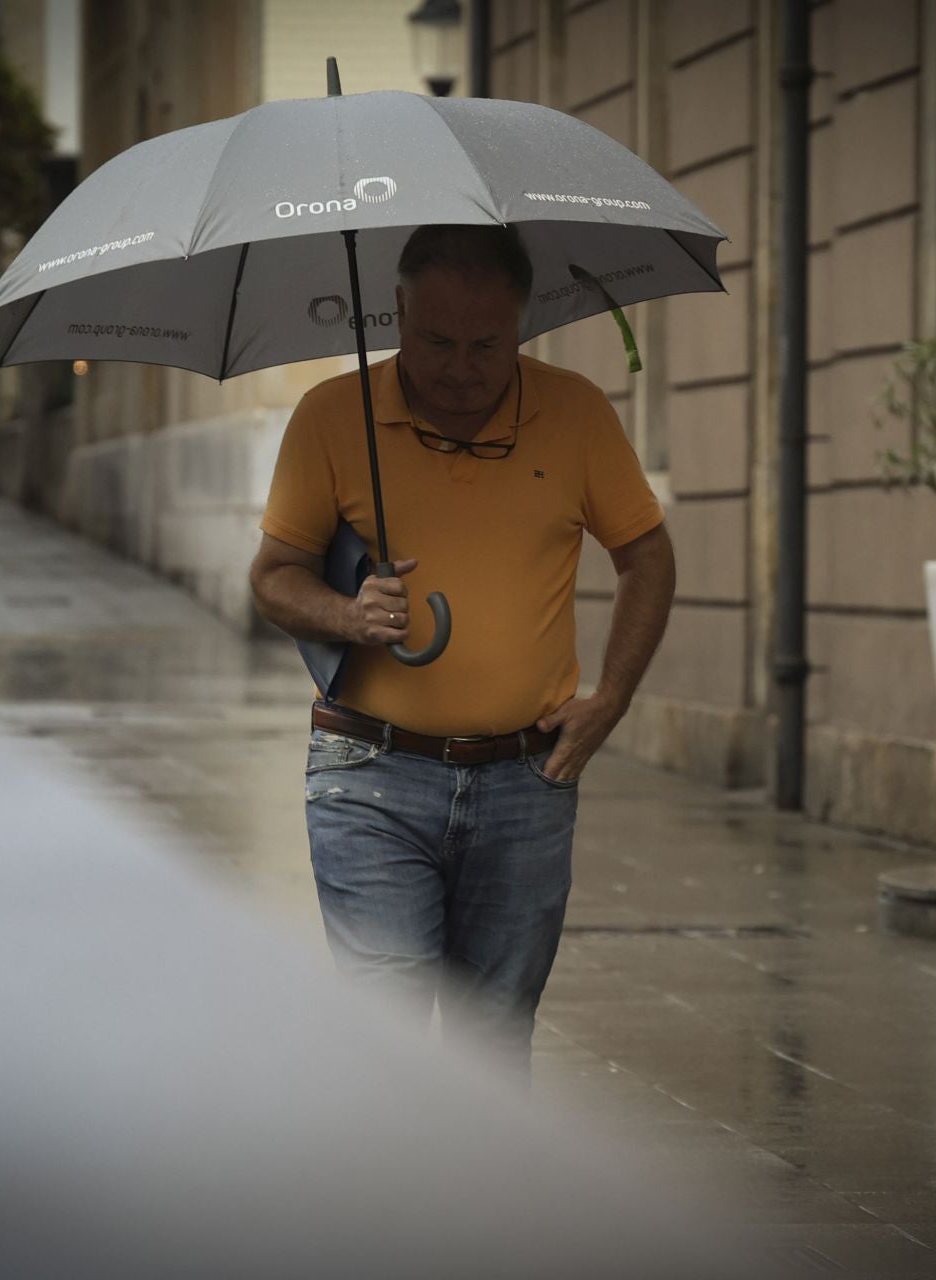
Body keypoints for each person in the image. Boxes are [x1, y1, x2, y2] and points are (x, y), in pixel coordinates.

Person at [250, 225, 677, 1081]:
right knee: (390, 1034)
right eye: (436, 340)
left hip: (527, 781)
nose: (459, 367)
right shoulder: (334, 416)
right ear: (397, 311)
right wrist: (346, 612)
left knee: (492, 1051)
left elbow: (648, 558)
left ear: (523, 323)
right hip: (367, 771)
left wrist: (612, 699)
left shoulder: (577, 412)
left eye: (488, 345)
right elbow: (272, 577)